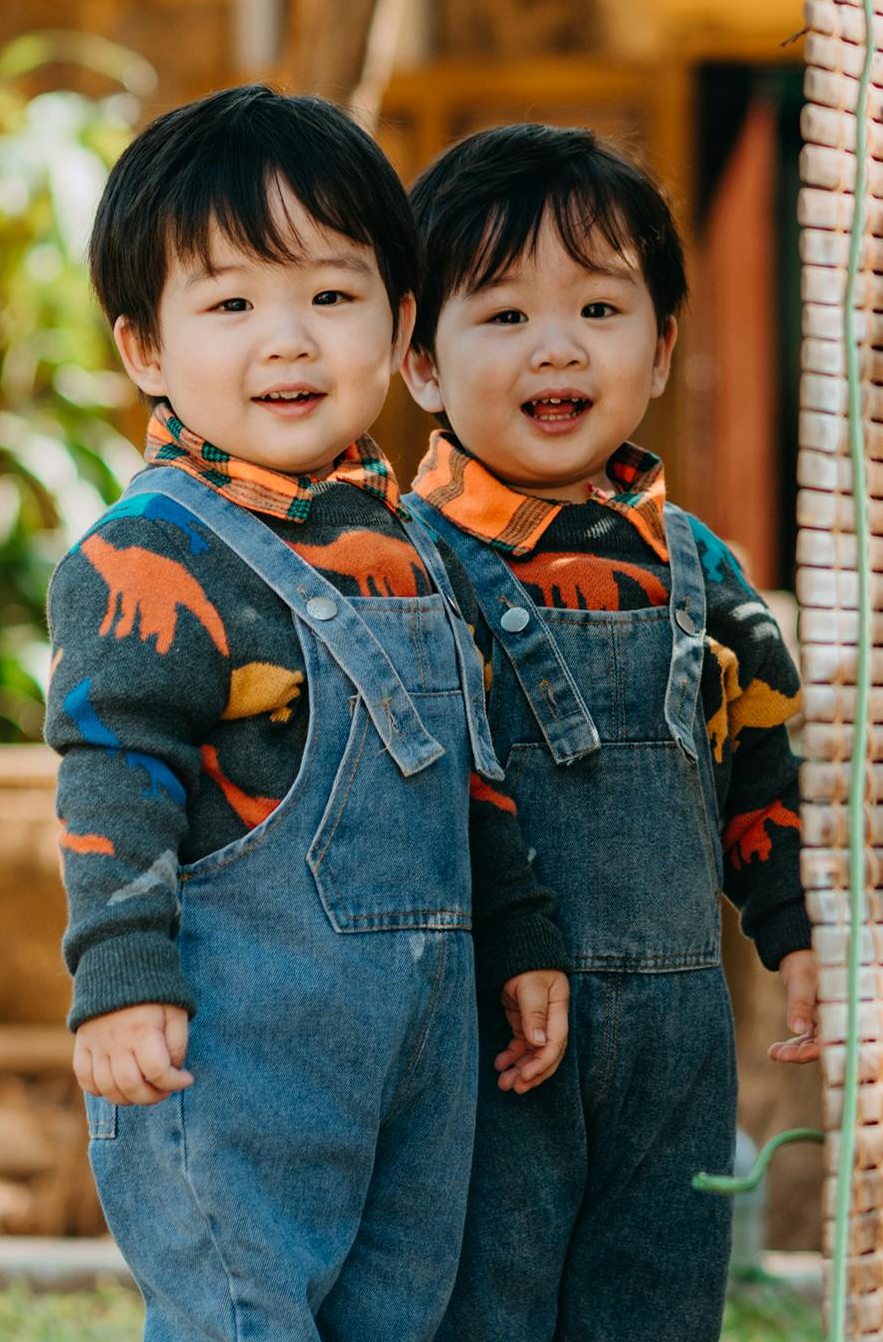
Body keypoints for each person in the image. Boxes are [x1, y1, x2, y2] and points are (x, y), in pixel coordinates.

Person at [45, 85, 572, 1342]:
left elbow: (469, 768)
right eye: (229, 304)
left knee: (401, 1314)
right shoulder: (149, 554)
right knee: (245, 1316)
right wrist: (118, 974)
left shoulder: (407, 542)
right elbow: (112, 767)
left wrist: (521, 931)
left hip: (418, 1061)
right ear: (146, 351)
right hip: (230, 1062)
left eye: (330, 297)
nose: (287, 341)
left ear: (398, 325)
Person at [398, 123, 820, 1342]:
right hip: (489, 1041)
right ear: (421, 360)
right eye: (505, 314)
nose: (558, 343)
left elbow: (767, 766)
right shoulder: (401, 570)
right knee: (490, 1303)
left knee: (662, 1301)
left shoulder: (702, 569)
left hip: (680, 1049)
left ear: (662, 346)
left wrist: (796, 929)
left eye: (599, 304)